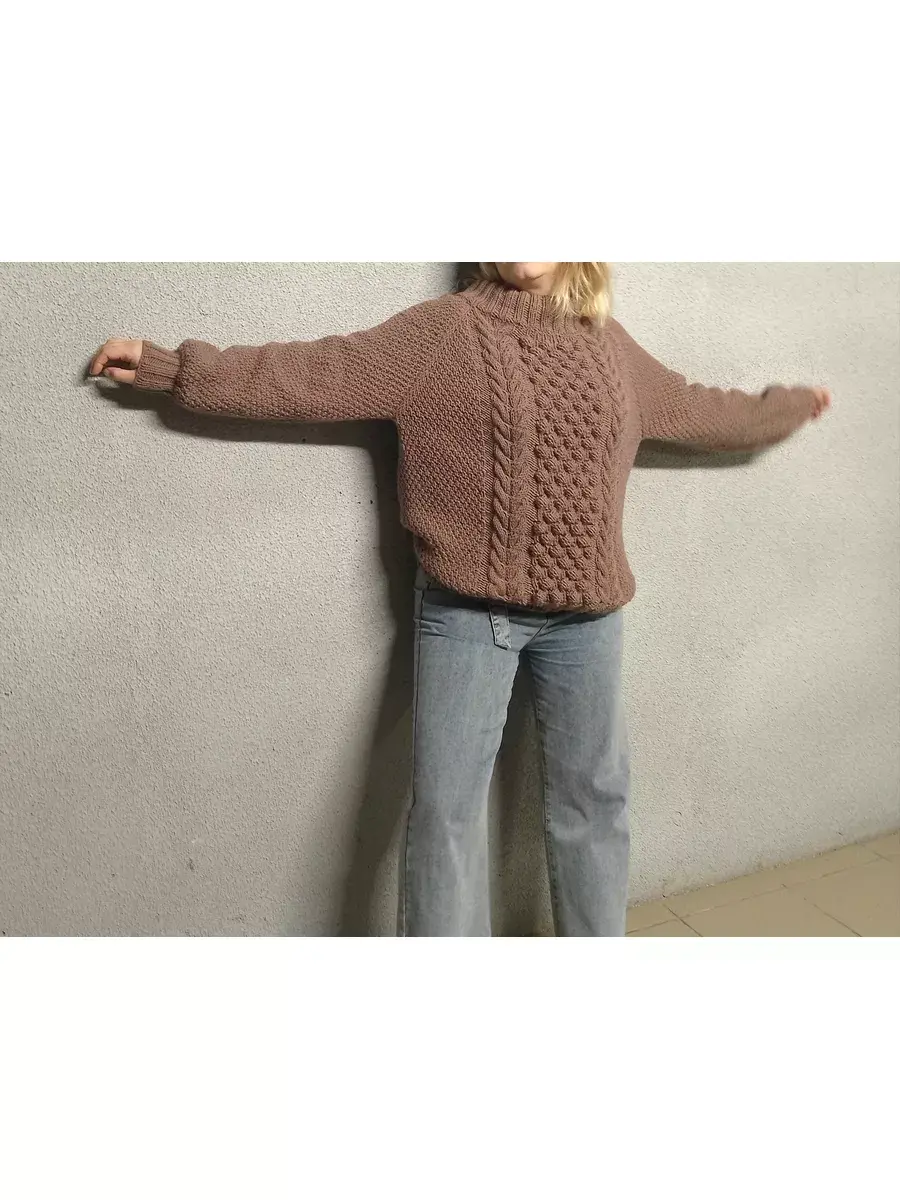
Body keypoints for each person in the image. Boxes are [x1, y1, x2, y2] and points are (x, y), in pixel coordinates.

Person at [87, 262, 832, 937]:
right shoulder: (442, 334)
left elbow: (704, 411)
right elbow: (314, 373)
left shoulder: (609, 345)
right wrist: (173, 368)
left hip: (588, 622)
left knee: (595, 805)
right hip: (471, 618)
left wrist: (789, 407)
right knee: (447, 817)